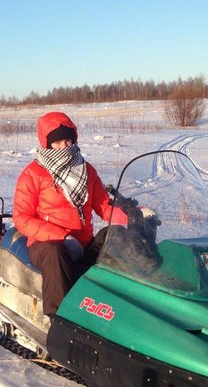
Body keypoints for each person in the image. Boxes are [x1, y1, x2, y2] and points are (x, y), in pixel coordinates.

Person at [13, 111, 126, 316]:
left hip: (82, 243)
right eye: (57, 143)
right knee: (56, 253)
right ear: (47, 144)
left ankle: (121, 308)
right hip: (46, 245)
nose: (64, 147)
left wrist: (131, 218)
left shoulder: (86, 169)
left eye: (67, 141)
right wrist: (62, 236)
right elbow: (22, 218)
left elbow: (102, 205)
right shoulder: (33, 173)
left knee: (116, 236)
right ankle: (58, 318)